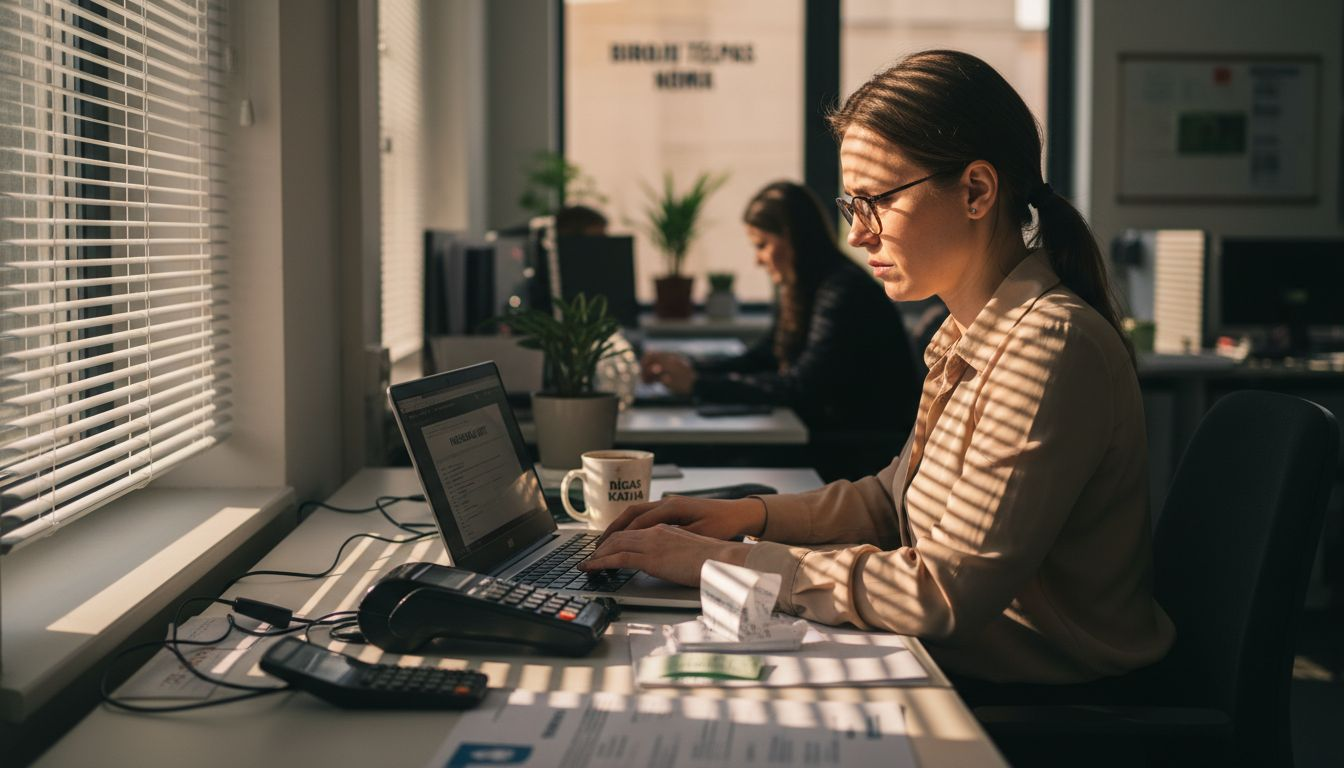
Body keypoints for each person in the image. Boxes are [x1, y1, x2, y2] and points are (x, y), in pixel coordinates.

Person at [583, 50, 1174, 689]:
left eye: (876, 202)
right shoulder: (967, 332)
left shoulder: (1049, 345)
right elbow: (890, 502)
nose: (859, 235)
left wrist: (719, 563)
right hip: (960, 667)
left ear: (976, 190)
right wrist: (746, 516)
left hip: (1046, 699)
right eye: (850, 205)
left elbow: (943, 593)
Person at [640, 181, 920, 478]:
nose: (757, 260)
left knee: (699, 457)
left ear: (792, 238)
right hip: (824, 437)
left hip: (853, 453)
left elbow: (801, 387)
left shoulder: (842, 292)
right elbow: (763, 357)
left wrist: (698, 385)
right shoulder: (803, 288)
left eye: (762, 245)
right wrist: (690, 368)